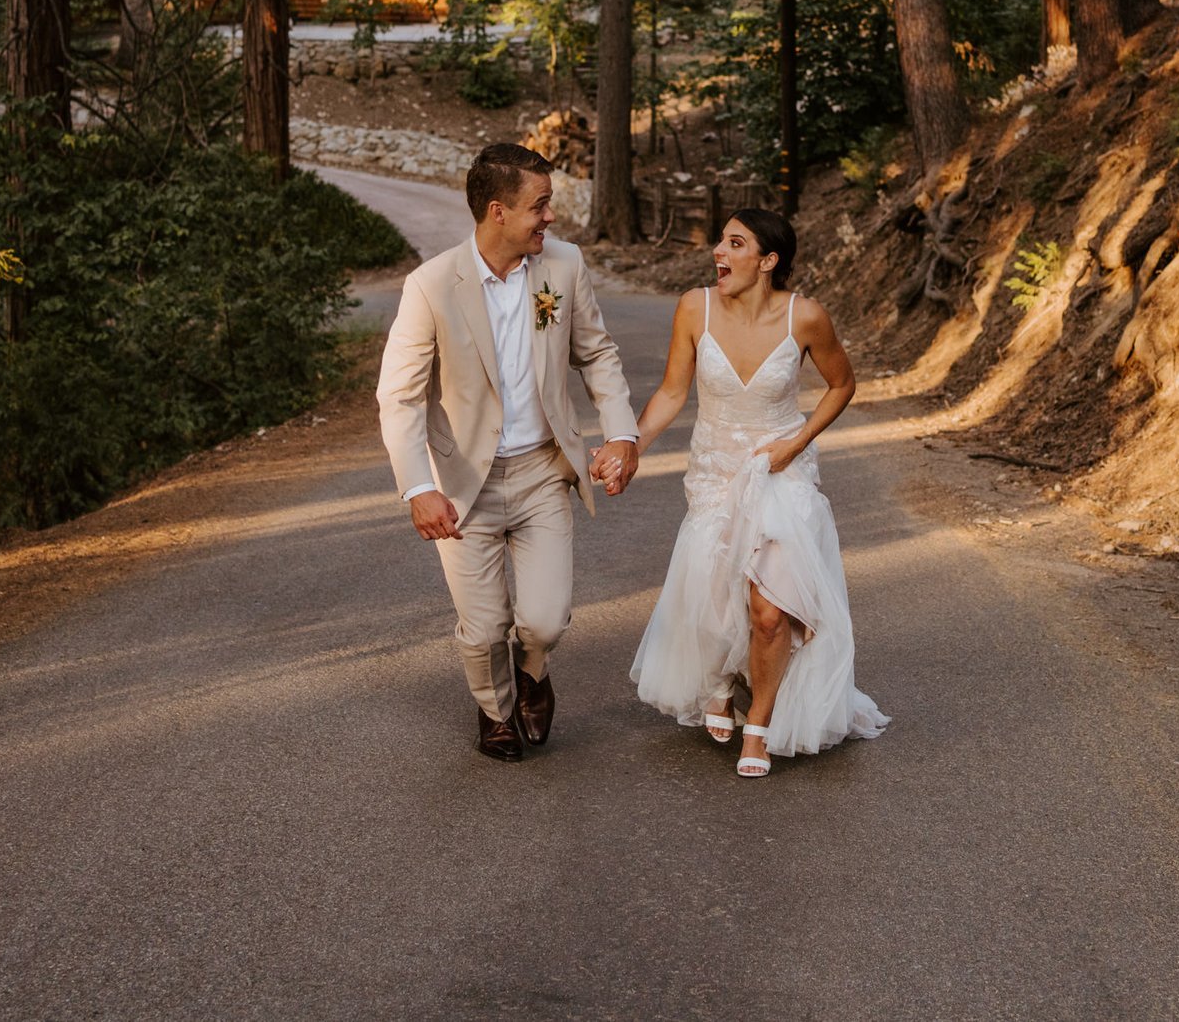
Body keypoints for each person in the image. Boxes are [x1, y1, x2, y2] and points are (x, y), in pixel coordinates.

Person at [376, 143, 643, 762]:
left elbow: (597, 354)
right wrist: (419, 488)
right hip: (462, 483)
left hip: (543, 472)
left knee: (545, 620)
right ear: (498, 211)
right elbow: (399, 397)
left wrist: (622, 431)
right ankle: (496, 711)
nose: (550, 218)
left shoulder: (564, 267)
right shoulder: (432, 284)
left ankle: (534, 671)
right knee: (483, 626)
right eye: (540, 205)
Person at [627, 208, 887, 777]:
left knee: (770, 609)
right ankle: (720, 682)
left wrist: (796, 443)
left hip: (779, 471)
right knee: (716, 588)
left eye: (734, 242)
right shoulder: (695, 307)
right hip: (715, 470)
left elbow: (842, 384)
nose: (718, 251)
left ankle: (761, 725)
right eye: (720, 240)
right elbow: (672, 393)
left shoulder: (806, 317)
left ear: (767, 261)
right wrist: (631, 447)